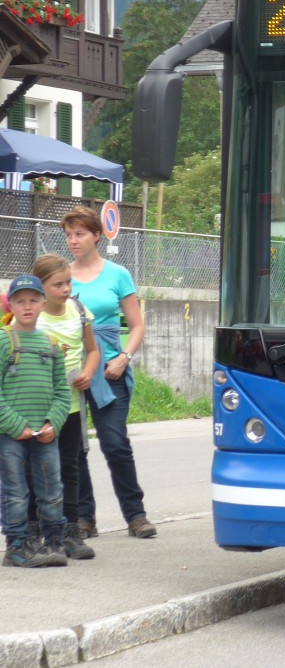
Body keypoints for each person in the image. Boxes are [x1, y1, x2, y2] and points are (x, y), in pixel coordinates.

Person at [62, 206, 157, 539]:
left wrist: (124, 358)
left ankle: (136, 515)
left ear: (96, 236)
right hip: (72, 368)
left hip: (110, 369)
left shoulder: (118, 274)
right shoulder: (63, 276)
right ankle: (84, 517)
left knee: (114, 443)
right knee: (74, 448)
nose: (73, 241)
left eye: (80, 234)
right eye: (69, 235)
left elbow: (136, 326)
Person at [0, 275, 70, 567]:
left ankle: (54, 541)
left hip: (45, 434)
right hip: (10, 435)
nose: (27, 306)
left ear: (43, 303)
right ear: (11, 305)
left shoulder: (51, 344)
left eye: (33, 300)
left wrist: (52, 424)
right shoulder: (4, 341)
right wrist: (17, 426)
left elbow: (63, 393)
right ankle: (16, 546)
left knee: (52, 490)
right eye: (20, 300)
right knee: (15, 492)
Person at [32, 253, 99, 559]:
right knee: (36, 470)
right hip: (38, 409)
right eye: (57, 284)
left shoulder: (79, 311)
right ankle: (36, 534)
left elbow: (93, 351)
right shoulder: (32, 316)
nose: (65, 288)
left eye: (68, 282)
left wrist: (87, 372)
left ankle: (72, 532)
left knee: (69, 468)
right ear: (40, 286)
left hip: (71, 406)